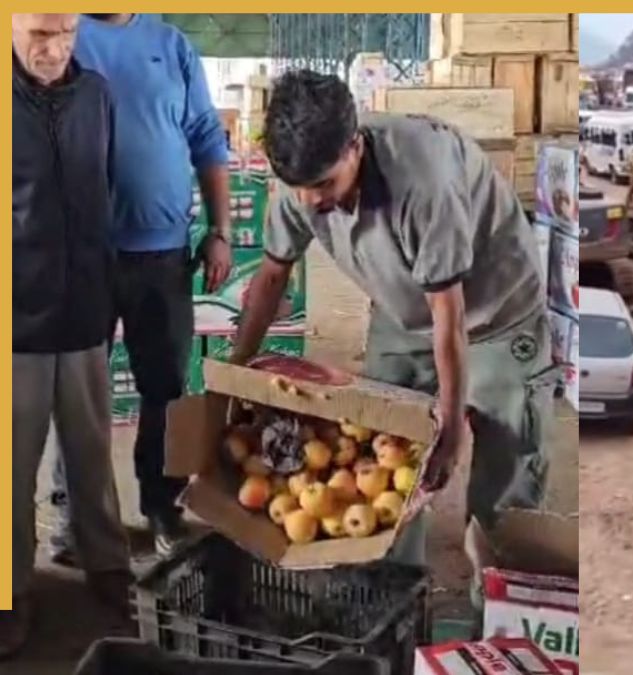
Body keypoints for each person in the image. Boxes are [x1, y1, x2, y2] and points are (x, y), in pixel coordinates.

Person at [230, 70, 554, 565]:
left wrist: (448, 428)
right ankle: (392, 590)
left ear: (355, 148)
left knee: (506, 471)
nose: (312, 200)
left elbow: (449, 315)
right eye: (298, 188)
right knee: (379, 448)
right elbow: (272, 278)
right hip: (404, 314)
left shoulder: (424, 181)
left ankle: (499, 617)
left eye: (324, 184)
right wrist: (237, 375)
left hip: (494, 313)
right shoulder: (301, 178)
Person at [47, 13, 233, 561]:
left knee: (165, 388)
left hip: (164, 254)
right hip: (83, 255)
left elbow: (205, 137)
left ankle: (161, 506)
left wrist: (220, 231)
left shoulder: (170, 45)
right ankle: (73, 517)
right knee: (78, 391)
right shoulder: (61, 35)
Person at [7, 13, 133, 658]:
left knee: (90, 449)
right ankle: (10, 592)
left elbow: (106, 188)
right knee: (11, 464)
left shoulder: (97, 95)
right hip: (15, 322)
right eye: (38, 35)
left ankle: (106, 563)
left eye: (64, 34)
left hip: (85, 308)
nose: (53, 49)